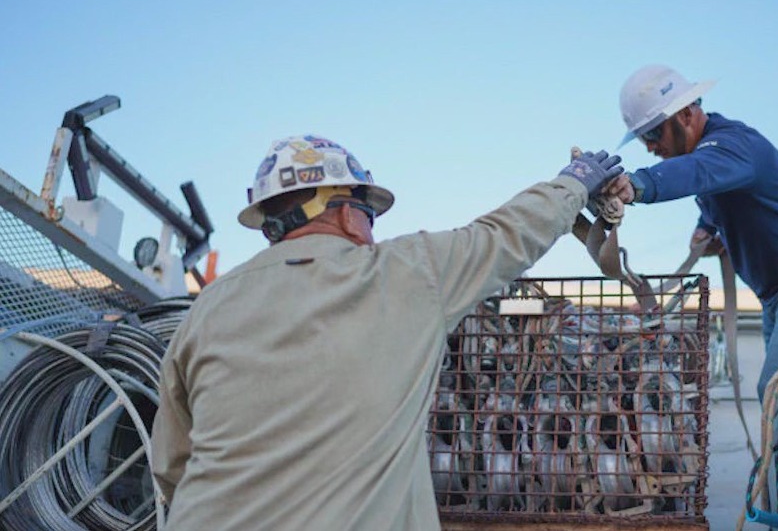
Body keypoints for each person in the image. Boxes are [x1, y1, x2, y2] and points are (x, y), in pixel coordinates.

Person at [150, 134, 623, 530]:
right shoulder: (405, 274)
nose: (372, 229)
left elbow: (171, 464)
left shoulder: (208, 308)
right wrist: (573, 186)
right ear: (344, 212)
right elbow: (507, 234)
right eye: (369, 213)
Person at [606, 65, 778, 402]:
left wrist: (639, 184)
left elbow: (700, 171)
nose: (650, 147)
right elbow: (717, 188)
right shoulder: (717, 155)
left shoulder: (733, 145)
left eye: (654, 134)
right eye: (643, 138)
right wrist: (706, 229)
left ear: (685, 115)